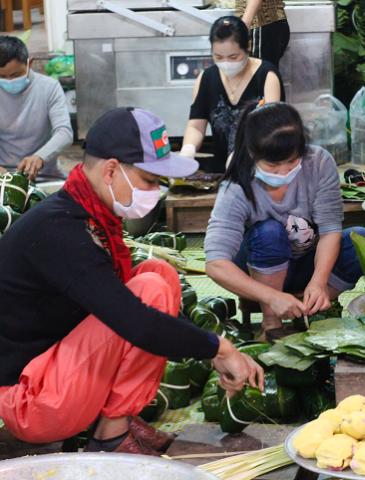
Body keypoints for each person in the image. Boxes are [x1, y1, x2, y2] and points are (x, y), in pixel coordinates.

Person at [0, 107, 263, 455]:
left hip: (53, 374)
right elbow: (136, 322)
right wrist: (219, 348)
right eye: (150, 180)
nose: (155, 191)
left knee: (158, 276)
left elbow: (141, 315)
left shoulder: (89, 216)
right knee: (149, 290)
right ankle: (110, 435)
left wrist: (207, 348)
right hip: (31, 401)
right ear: (111, 170)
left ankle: (115, 422)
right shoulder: (61, 231)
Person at [205, 101, 365, 341]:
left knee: (361, 240)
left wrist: (319, 281)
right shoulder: (237, 187)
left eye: (292, 162)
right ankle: (271, 322)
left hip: (306, 263)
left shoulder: (319, 162)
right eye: (272, 165)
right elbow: (215, 263)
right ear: (253, 154)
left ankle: (307, 304)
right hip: (256, 269)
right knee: (269, 232)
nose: (283, 172)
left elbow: (330, 229)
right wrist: (271, 297)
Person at [180, 16, 284, 173]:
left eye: (234, 57)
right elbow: (196, 126)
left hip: (262, 170)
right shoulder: (207, 78)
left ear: (248, 46)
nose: (226, 63)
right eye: (218, 57)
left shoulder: (266, 76)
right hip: (222, 170)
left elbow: (271, 131)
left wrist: (244, 156)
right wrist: (188, 150)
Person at [0, 35, 73, 180]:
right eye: (2, 76)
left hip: (44, 174)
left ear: (29, 63)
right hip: (4, 175)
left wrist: (40, 156)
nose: (9, 81)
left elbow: (64, 132)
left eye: (15, 75)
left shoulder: (49, 88)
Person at [237, 0, 289, 68]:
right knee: (265, 72)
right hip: (272, 22)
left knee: (259, 73)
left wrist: (242, 28)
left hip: (260, 25)